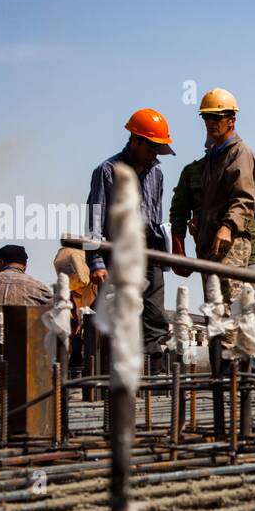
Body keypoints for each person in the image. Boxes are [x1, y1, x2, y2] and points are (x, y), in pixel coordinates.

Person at [77, 108, 176, 375]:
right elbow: (94, 222)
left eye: (159, 149)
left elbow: (156, 215)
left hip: (150, 253)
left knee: (154, 316)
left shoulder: (157, 174)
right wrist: (96, 261)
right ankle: (115, 374)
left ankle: (154, 374)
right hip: (117, 253)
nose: (155, 154)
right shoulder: (107, 171)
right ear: (135, 140)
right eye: (152, 148)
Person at [192, 88, 255, 305]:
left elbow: (244, 198)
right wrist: (199, 221)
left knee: (229, 312)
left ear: (232, 120)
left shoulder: (239, 153)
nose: (211, 122)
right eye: (207, 117)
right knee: (215, 313)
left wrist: (227, 226)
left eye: (217, 117)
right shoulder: (214, 157)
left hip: (231, 245)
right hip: (213, 246)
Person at [170, 151, 255, 274]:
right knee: (215, 293)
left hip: (248, 255)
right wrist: (178, 252)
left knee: (250, 292)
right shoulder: (193, 172)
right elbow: (178, 215)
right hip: (210, 254)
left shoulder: (245, 168)